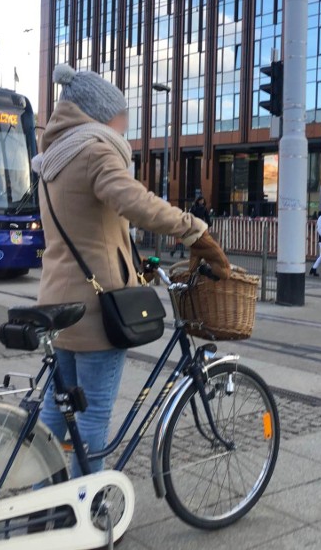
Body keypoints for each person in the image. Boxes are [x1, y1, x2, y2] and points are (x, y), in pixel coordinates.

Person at [35, 63, 230, 476]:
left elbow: (93, 226)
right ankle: (87, 516)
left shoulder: (54, 157)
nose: (126, 125)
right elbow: (136, 203)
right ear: (103, 113)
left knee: (57, 417)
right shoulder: (95, 150)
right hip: (96, 308)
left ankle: (45, 507)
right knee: (92, 420)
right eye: (123, 115)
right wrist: (194, 230)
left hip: (57, 302)